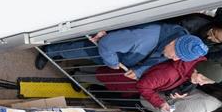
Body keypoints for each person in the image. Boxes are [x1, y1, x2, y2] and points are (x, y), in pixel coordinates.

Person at [36, 23, 197, 78]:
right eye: (176, 55)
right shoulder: (144, 38)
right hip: (110, 50)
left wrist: (140, 70)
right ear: (174, 43)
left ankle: (56, 53)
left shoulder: (172, 42)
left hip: (120, 53)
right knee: (78, 50)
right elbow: (106, 44)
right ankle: (49, 51)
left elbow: (158, 57)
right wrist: (112, 63)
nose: (174, 59)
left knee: (78, 52)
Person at [137, 58, 222, 112]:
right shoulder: (169, 74)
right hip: (130, 88)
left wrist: (182, 93)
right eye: (202, 79)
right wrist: (160, 103)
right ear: (197, 70)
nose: (201, 84)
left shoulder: (195, 66)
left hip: (153, 86)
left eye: (206, 82)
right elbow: (142, 86)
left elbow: (186, 81)